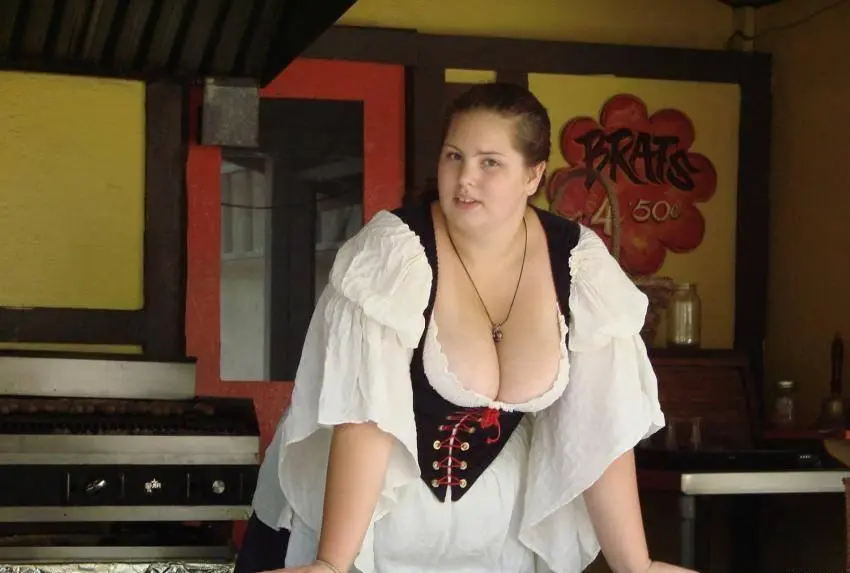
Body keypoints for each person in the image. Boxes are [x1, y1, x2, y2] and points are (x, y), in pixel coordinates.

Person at [236, 82, 695, 573]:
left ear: (533, 175)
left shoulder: (578, 263)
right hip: (366, 511)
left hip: (495, 528)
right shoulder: (393, 254)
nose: (464, 179)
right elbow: (364, 417)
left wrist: (636, 566)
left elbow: (600, 424)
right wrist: (332, 561)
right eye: (454, 156)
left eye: (489, 162)